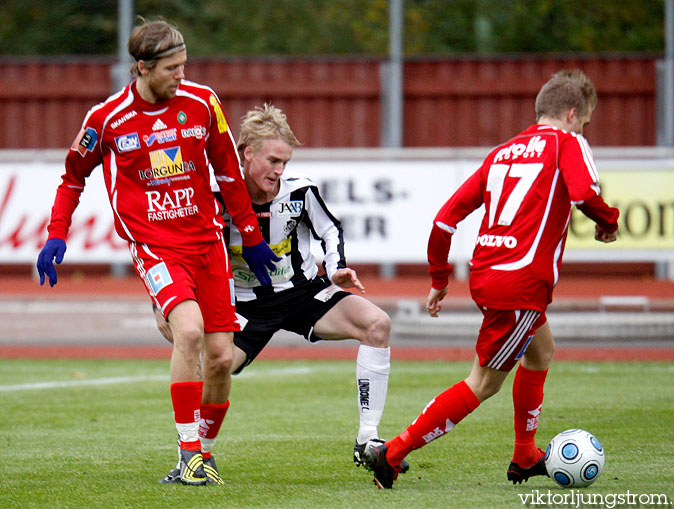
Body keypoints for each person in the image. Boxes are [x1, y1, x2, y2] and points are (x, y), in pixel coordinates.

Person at [35, 19, 279, 486]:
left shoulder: (204, 103)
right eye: (172, 68)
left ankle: (203, 454)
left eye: (185, 66)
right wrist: (56, 233)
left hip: (207, 244)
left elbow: (228, 169)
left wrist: (249, 233)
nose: (181, 76)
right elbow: (73, 178)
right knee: (188, 332)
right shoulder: (106, 119)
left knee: (223, 358)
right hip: (155, 247)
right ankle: (188, 455)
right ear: (142, 68)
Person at [361, 69, 620, 489]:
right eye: (586, 121)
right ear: (573, 114)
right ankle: (392, 454)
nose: (584, 128)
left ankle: (524, 455)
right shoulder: (567, 142)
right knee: (482, 382)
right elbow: (583, 194)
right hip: (520, 283)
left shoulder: (503, 152)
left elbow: (445, 220)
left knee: (541, 352)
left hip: (488, 274)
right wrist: (608, 222)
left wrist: (439, 278)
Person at [155, 103, 409, 484]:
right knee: (217, 366)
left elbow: (330, 229)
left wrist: (337, 265)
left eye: (285, 162)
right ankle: (196, 454)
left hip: (301, 293)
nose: (279, 170)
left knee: (377, 323)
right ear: (247, 154)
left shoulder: (300, 190)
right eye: (273, 160)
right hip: (242, 304)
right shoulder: (213, 192)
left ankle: (366, 439)